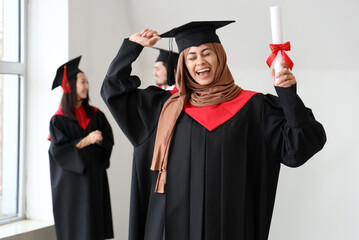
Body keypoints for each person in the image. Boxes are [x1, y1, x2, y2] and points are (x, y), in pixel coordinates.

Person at [101, 21, 326, 240]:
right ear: (183, 64)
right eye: (191, 56)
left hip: (230, 227)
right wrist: (132, 46)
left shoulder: (254, 107)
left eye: (207, 53)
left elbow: (300, 146)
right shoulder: (162, 107)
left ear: (220, 56)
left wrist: (287, 94)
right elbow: (114, 91)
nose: (200, 61)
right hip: (169, 228)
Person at [49, 56, 114, 240]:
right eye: (82, 81)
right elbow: (59, 150)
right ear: (69, 86)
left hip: (94, 179)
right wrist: (88, 140)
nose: (86, 85)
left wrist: (100, 140)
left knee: (94, 227)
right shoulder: (58, 119)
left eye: (87, 81)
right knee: (76, 229)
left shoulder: (96, 115)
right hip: (71, 184)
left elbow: (108, 141)